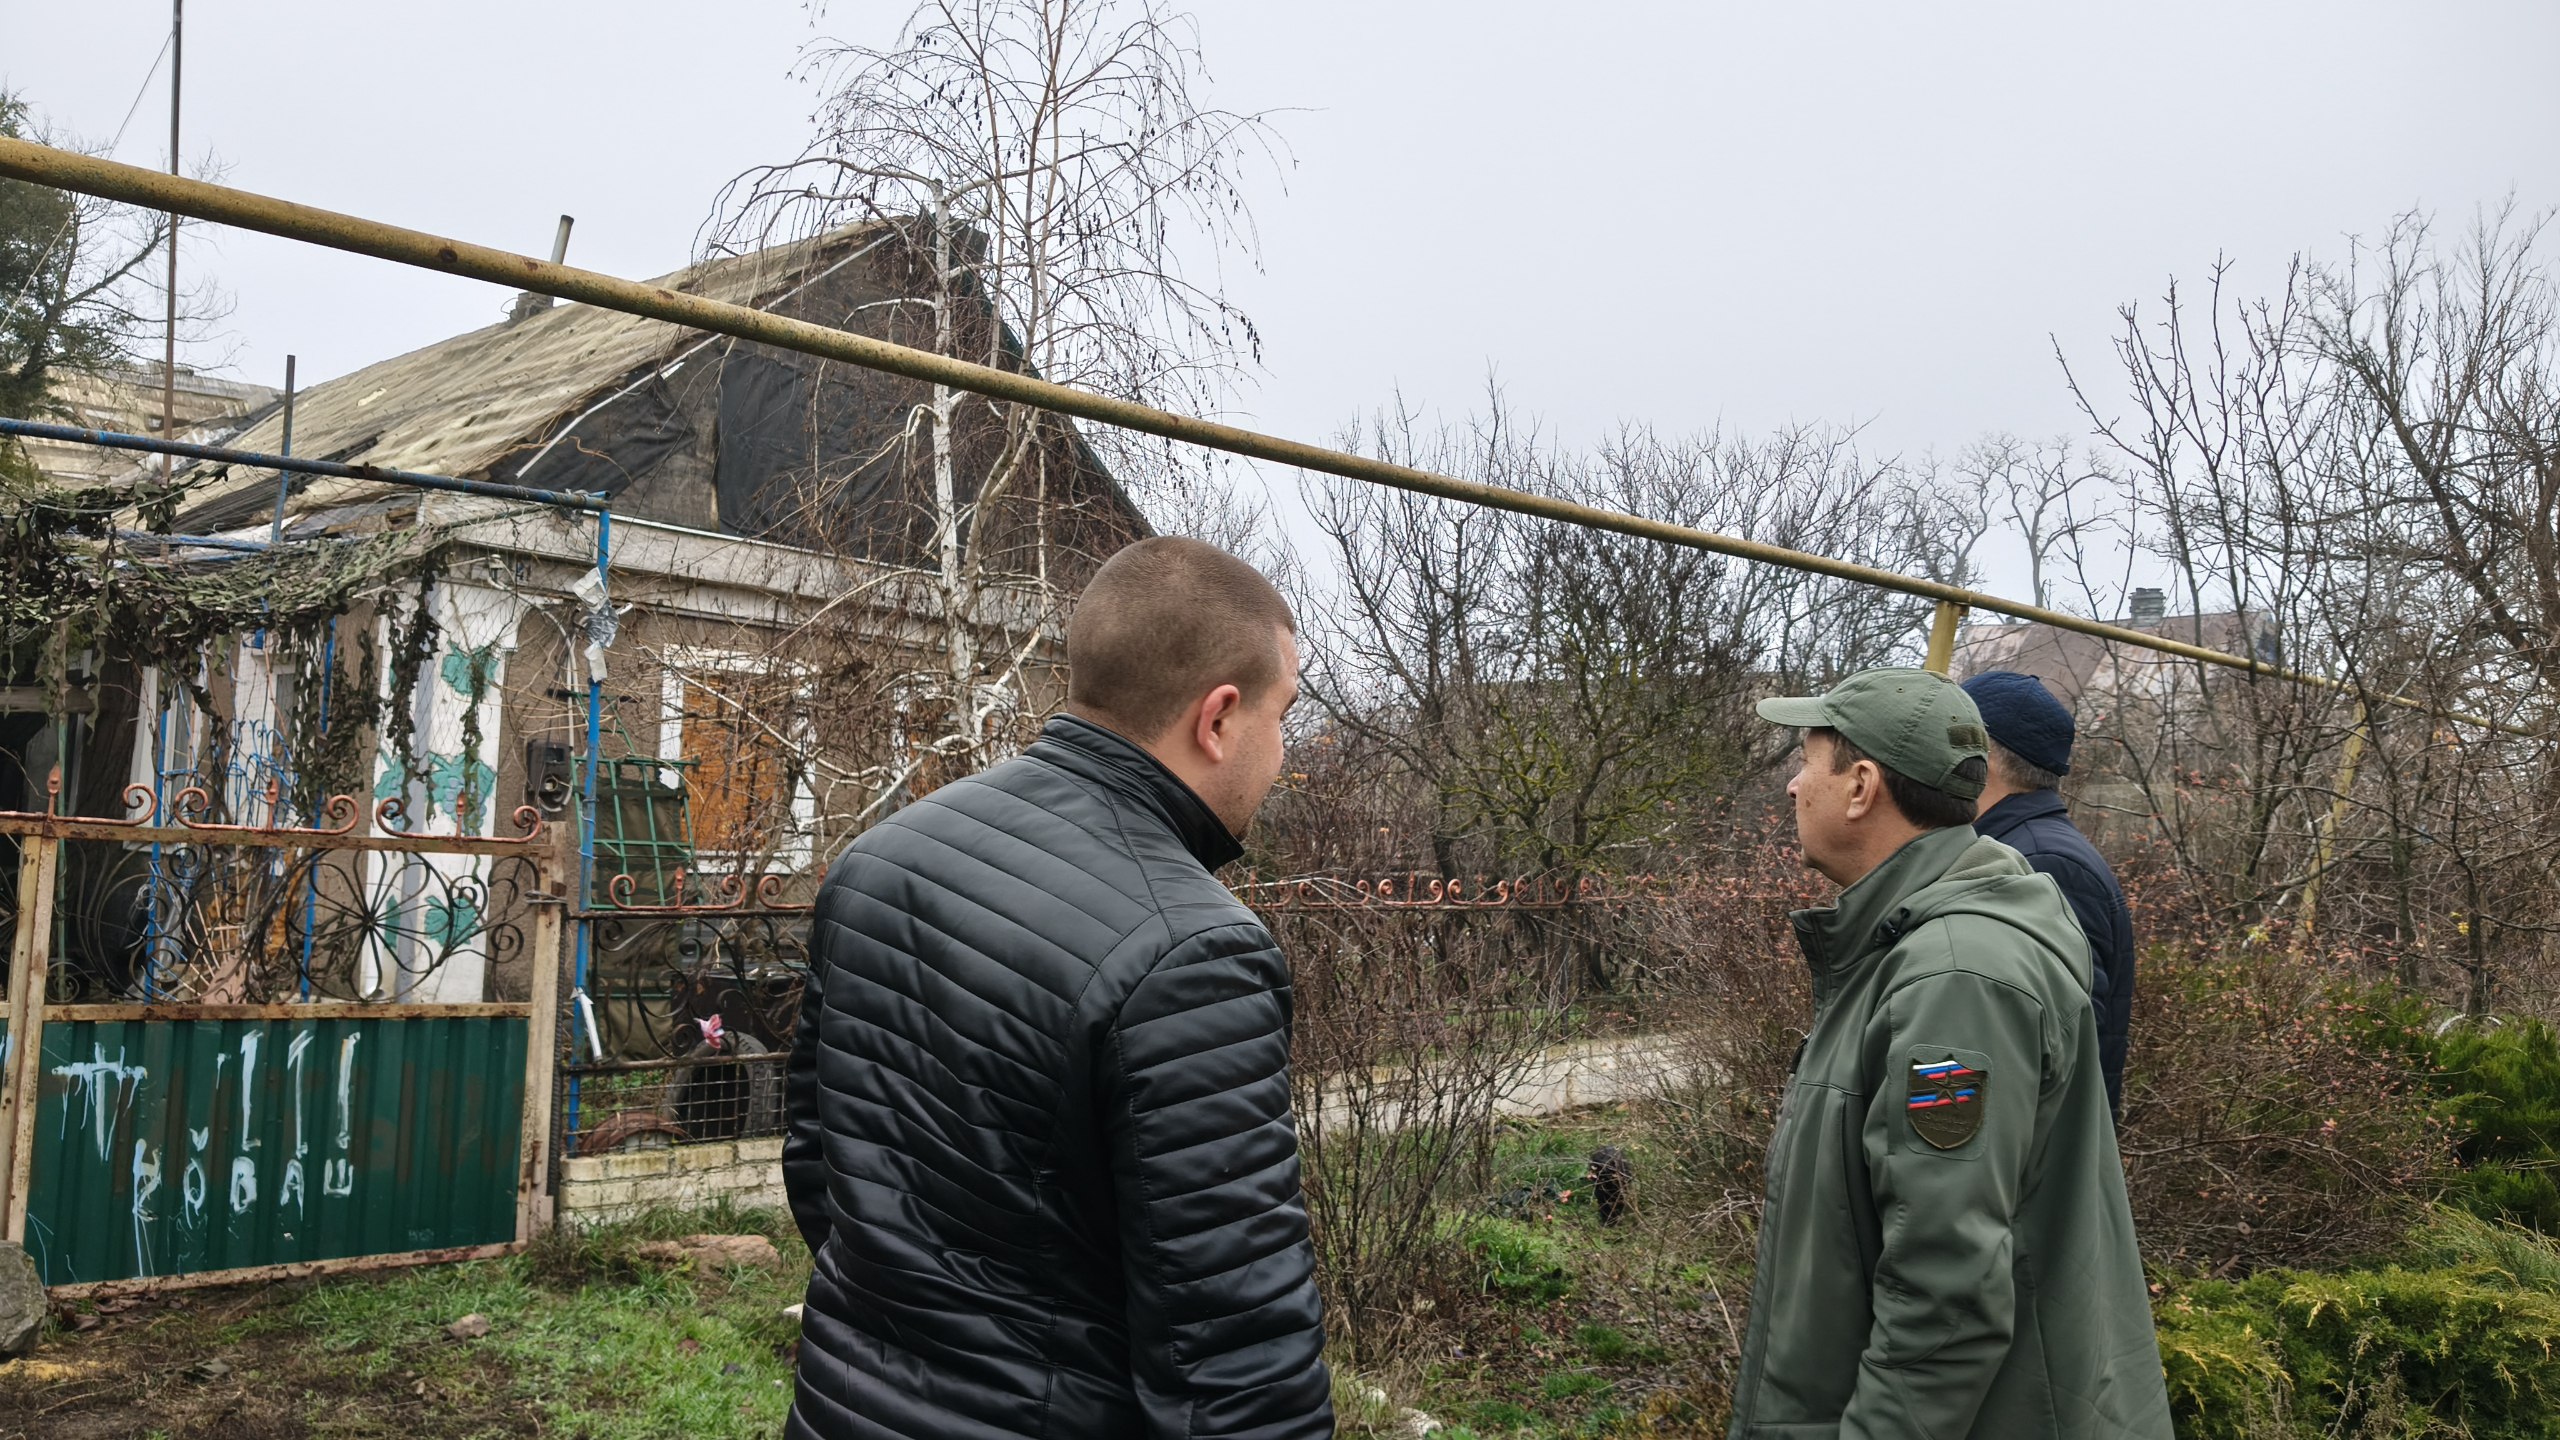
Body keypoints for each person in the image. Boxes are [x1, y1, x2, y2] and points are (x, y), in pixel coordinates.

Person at [782, 536, 1333, 1440]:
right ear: (1219, 718)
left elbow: (820, 1167)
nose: (1281, 754)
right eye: (1283, 716)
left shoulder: (880, 859)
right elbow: (1235, 1360)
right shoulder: (1193, 952)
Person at [1727, 667, 2169, 1440]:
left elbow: (1945, 1296)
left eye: (1806, 761)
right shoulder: (1917, 945)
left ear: (1861, 786)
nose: (1794, 787)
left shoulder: (1956, 983)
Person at [1961, 670, 2136, 1118]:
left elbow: (2057, 1046)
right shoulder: (2021, 846)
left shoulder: (2042, 862)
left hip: (2029, 1153)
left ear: (1982, 756)